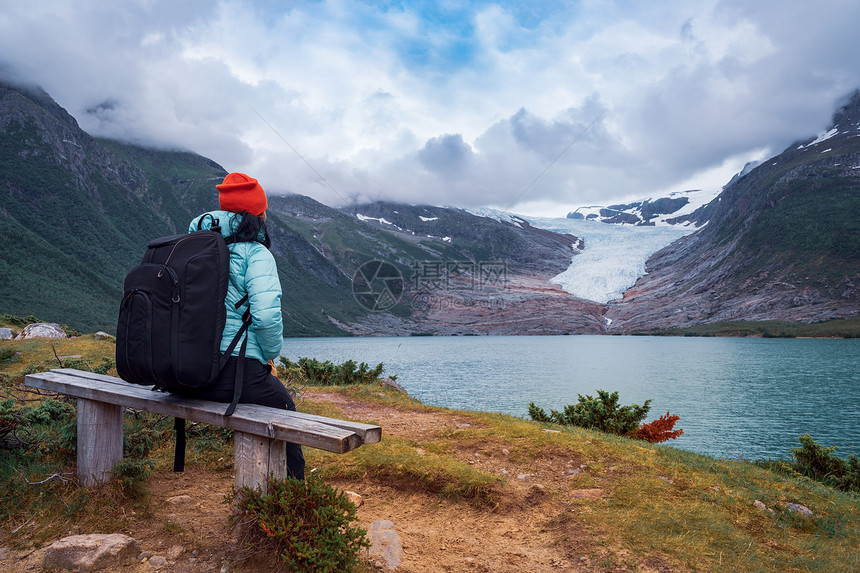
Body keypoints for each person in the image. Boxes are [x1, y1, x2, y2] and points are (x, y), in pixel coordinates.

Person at [187, 172, 305, 480]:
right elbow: (266, 317)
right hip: (232, 374)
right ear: (259, 214)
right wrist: (269, 355)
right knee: (284, 408)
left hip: (185, 372)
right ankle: (293, 498)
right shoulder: (255, 253)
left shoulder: (192, 247)